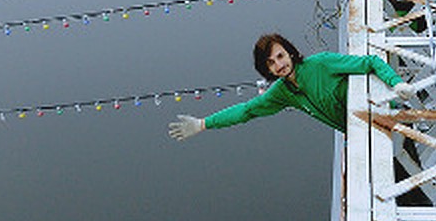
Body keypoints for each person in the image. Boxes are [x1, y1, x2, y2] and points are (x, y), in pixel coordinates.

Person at [168, 33, 414, 140]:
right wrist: (202, 124)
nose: (279, 65)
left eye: (280, 56)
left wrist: (396, 82)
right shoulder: (283, 92)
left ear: (290, 53)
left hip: (393, 116)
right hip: (364, 135)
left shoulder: (321, 63)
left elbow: (369, 62)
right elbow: (247, 111)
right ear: (266, 69)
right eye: (271, 63)